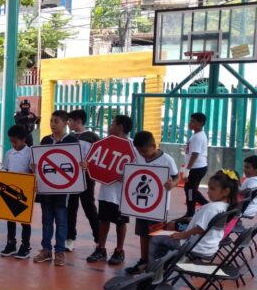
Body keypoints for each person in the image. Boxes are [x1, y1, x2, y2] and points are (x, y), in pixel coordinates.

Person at [147, 170, 239, 263]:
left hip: (195, 246)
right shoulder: (225, 206)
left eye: (212, 189)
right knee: (166, 238)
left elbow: (200, 229)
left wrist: (183, 235)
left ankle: (153, 271)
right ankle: (163, 265)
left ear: (226, 191)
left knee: (156, 239)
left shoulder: (211, 207)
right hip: (209, 247)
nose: (208, 192)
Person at [125, 131, 180, 275]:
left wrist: (172, 184)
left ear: (154, 146)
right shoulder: (139, 157)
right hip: (142, 207)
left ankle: (155, 264)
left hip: (159, 207)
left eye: (145, 151)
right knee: (143, 233)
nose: (143, 154)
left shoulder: (167, 160)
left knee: (156, 234)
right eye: (140, 151)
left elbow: (177, 177)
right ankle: (143, 261)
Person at [87, 115, 134, 265]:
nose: (109, 126)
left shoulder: (132, 146)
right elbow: (94, 162)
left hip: (121, 194)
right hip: (106, 191)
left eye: (112, 123)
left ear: (120, 127)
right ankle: (100, 248)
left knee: (121, 222)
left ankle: (119, 250)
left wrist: (128, 175)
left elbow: (138, 167)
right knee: (103, 220)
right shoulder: (104, 144)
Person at [33, 110, 77, 266]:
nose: (52, 124)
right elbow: (39, 162)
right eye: (51, 121)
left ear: (65, 123)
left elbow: (76, 164)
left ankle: (59, 252)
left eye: (56, 121)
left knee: (61, 221)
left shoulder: (72, 141)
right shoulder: (45, 140)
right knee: (46, 221)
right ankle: (46, 250)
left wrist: (82, 166)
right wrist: (35, 166)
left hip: (62, 190)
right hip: (46, 189)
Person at [66, 109, 100, 252]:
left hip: (86, 178)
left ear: (79, 121)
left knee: (89, 208)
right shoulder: (68, 137)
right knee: (71, 208)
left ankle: (99, 239)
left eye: (70, 121)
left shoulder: (92, 137)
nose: (68, 123)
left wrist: (89, 166)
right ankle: (70, 238)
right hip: (71, 179)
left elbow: (99, 157)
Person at [0, 124, 33, 259]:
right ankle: (11, 243)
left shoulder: (30, 153)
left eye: (15, 141)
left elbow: (32, 171)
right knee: (10, 218)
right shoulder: (9, 153)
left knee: (25, 221)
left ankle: (25, 245)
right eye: (11, 141)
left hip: (25, 192)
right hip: (10, 191)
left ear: (24, 140)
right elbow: (5, 169)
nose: (13, 144)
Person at [183, 112, 209, 217]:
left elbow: (195, 154)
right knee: (190, 189)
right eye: (190, 121)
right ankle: (206, 205)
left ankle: (190, 213)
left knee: (190, 190)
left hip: (196, 168)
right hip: (197, 167)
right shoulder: (196, 135)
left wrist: (187, 169)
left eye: (193, 121)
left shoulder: (198, 137)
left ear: (200, 123)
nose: (190, 123)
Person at [238, 155, 257, 225]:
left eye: (247, 167)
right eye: (244, 167)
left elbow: (245, 193)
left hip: (243, 209)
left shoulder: (251, 180)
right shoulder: (252, 179)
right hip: (251, 210)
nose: (244, 169)